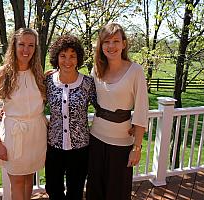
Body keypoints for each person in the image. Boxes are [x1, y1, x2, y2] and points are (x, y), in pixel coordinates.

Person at [86, 22, 149, 200]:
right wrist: (56, 75)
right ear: (101, 45)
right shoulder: (96, 69)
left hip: (122, 144)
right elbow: (83, 94)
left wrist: (137, 147)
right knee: (95, 191)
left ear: (124, 44)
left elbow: (142, 110)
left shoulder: (135, 71)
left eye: (115, 41)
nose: (111, 46)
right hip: (96, 139)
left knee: (118, 193)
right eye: (106, 41)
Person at [0, 28, 47, 200]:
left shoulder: (38, 72)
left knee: (29, 179)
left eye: (31, 45)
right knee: (17, 183)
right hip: (14, 135)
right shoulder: (2, 73)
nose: (26, 50)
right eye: (21, 44)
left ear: (35, 49)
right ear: (14, 45)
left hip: (36, 135)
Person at [44, 35, 97, 200]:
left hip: (80, 149)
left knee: (75, 192)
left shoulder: (88, 83)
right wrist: (3, 107)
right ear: (56, 57)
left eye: (72, 56)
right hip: (54, 147)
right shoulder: (48, 81)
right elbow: (29, 99)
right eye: (63, 56)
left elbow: (102, 107)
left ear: (78, 58)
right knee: (54, 190)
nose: (68, 60)